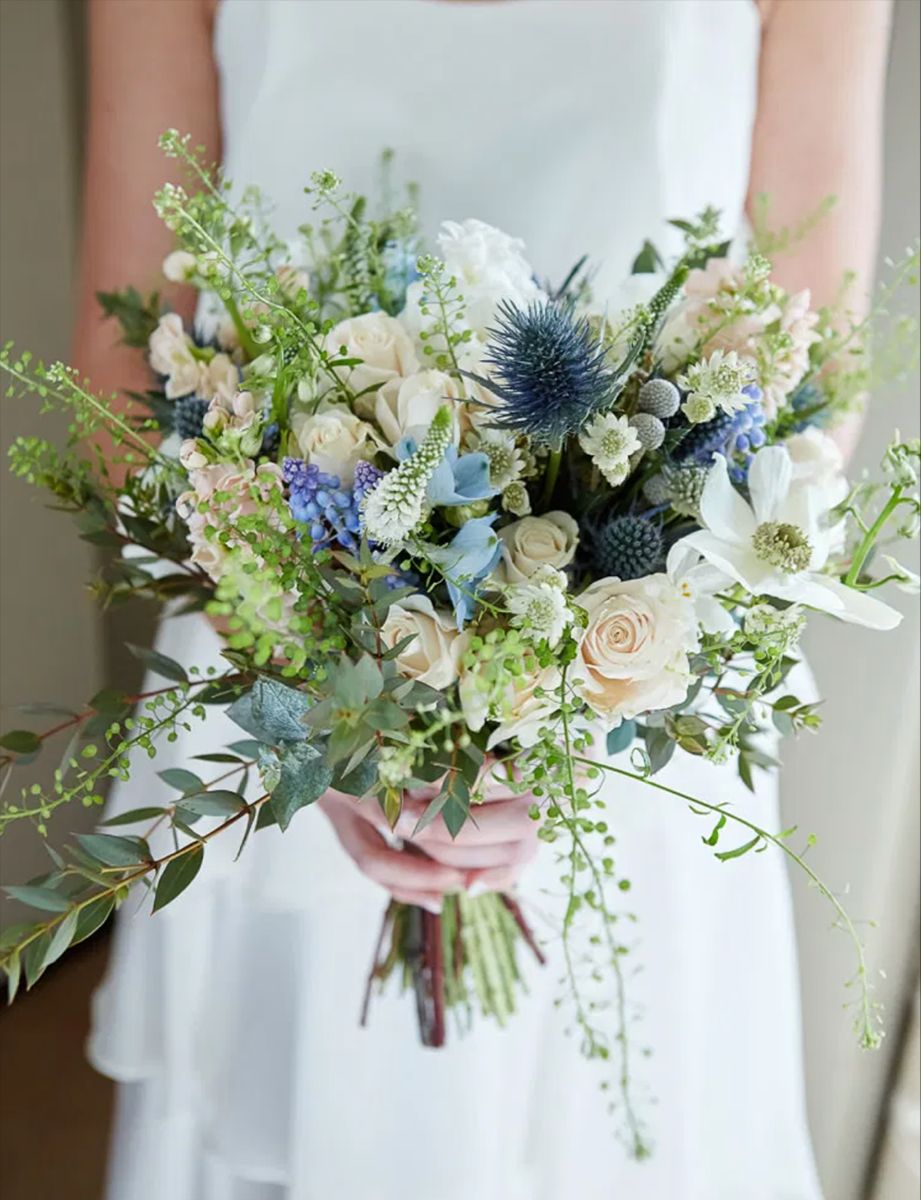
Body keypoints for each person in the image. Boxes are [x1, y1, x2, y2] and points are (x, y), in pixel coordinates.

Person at [76, 2, 893, 1198]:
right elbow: (121, 391)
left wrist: (563, 704)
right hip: (286, 679)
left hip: (635, 703)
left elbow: (807, 379)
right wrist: (344, 706)